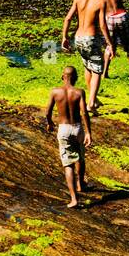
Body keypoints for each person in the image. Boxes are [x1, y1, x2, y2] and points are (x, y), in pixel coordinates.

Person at [60, 0, 113, 111]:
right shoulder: (101, 2)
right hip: (91, 39)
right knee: (97, 71)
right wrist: (110, 43)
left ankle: (92, 99)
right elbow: (102, 25)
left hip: (78, 38)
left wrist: (64, 37)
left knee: (87, 67)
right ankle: (91, 104)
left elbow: (68, 18)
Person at [44, 65, 92, 208]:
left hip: (64, 129)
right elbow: (84, 112)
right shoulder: (79, 92)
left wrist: (50, 123)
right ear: (76, 78)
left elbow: (47, 112)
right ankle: (81, 183)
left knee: (68, 164)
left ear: (62, 76)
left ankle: (74, 199)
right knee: (80, 157)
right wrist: (88, 132)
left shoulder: (55, 92)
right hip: (77, 128)